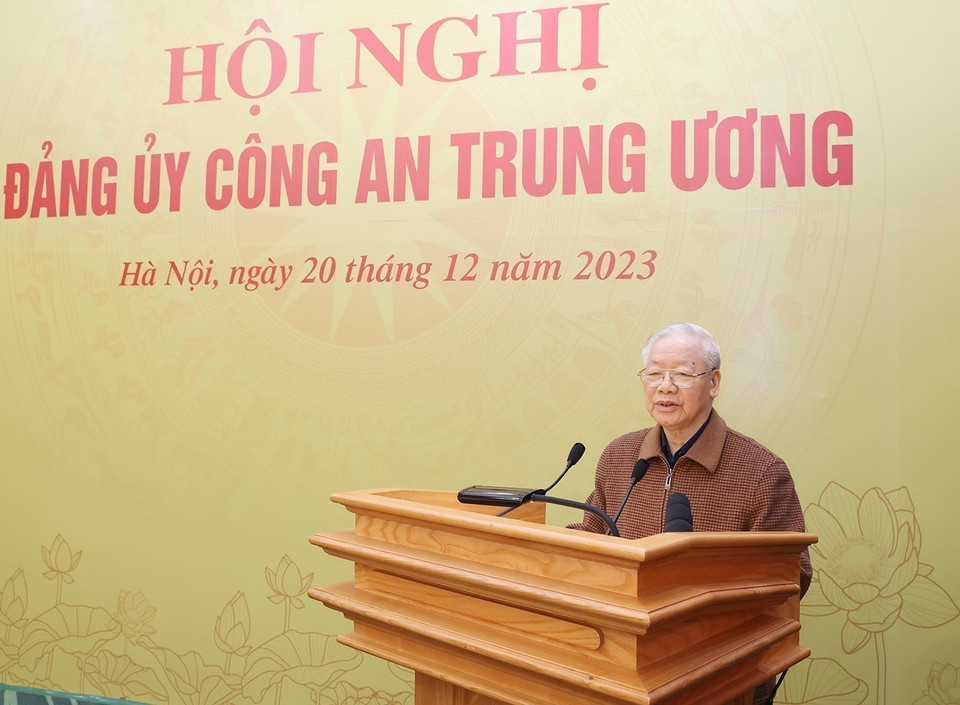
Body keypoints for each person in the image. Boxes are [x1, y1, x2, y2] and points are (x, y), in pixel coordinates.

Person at [567, 322, 811, 705]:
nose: (665, 386)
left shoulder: (761, 471)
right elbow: (595, 533)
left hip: (721, 674)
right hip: (623, 667)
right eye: (654, 373)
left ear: (713, 383)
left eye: (682, 374)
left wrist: (706, 587)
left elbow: (794, 577)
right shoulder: (619, 456)